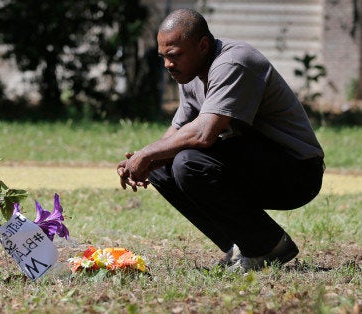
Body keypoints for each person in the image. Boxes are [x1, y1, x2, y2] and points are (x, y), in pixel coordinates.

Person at [117, 8, 324, 272]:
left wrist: (147, 153)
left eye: (175, 56)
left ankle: (268, 246)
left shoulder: (233, 63)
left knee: (187, 162)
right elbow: (179, 129)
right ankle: (242, 246)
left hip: (297, 171)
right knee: (162, 168)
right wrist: (145, 158)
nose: (168, 65)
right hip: (258, 164)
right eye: (164, 58)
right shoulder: (189, 72)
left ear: (203, 45)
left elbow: (203, 133)